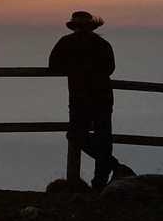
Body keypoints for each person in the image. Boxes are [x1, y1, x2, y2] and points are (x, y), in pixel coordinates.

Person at [48, 10, 133, 189]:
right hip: (103, 96)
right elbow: (110, 68)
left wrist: (74, 69)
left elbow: (53, 66)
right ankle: (102, 181)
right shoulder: (102, 44)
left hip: (80, 98)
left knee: (76, 135)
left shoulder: (66, 42)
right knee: (103, 139)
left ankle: (112, 168)